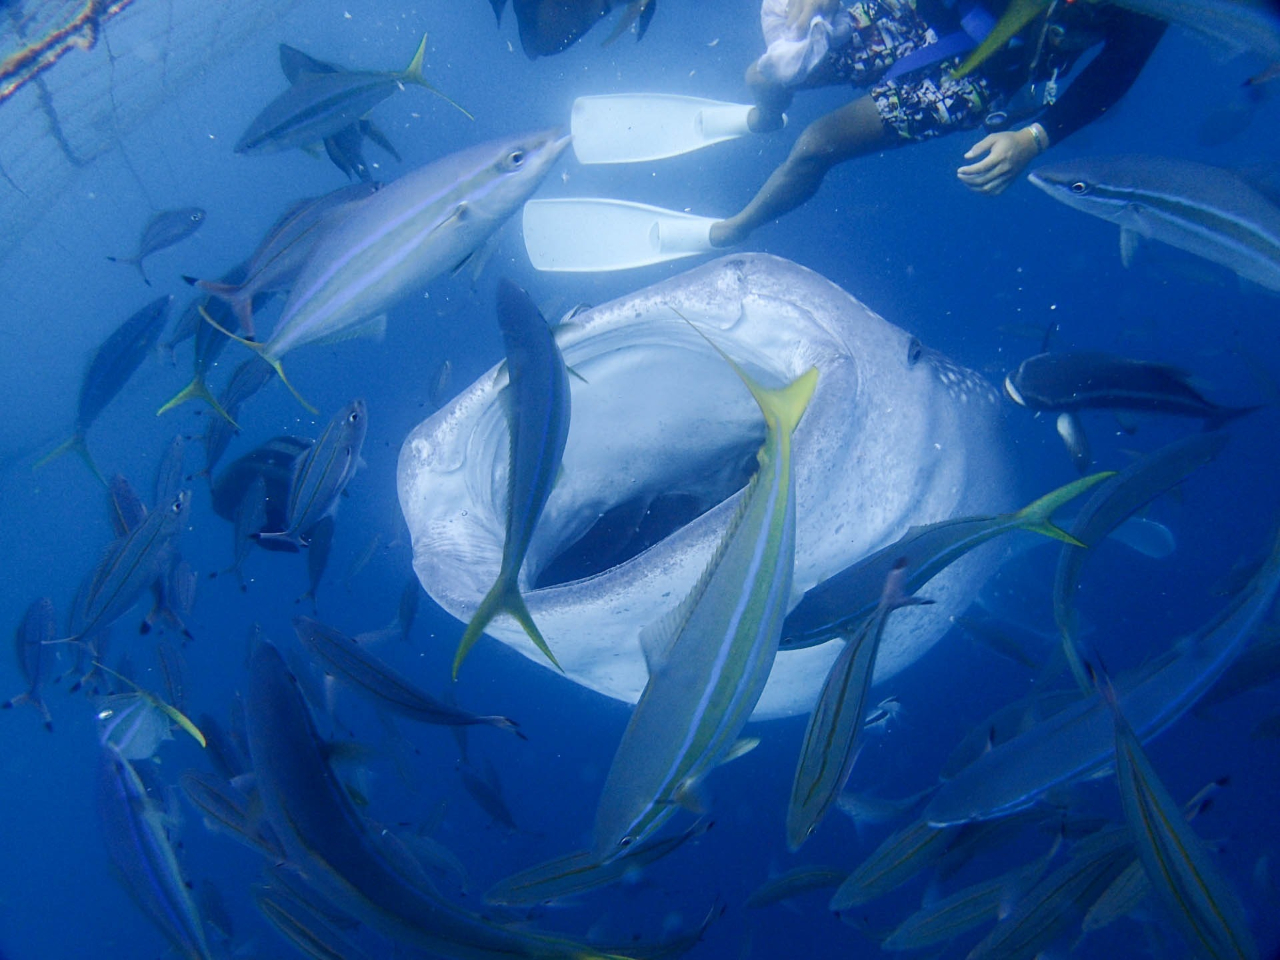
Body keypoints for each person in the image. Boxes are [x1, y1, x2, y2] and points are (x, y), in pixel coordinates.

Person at [709, 0, 1166, 247]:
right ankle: (768, 115)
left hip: (987, 73)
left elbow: (1119, 67)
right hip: (913, 11)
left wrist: (1035, 137)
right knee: (763, 75)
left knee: (816, 145)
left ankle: (737, 228)